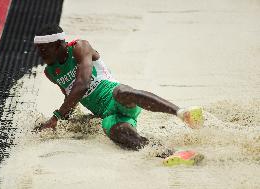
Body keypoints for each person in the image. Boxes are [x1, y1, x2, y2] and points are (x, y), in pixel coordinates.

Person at [34, 24, 204, 165]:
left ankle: (182, 113)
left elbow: (82, 84)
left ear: (58, 45)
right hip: (108, 115)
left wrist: (56, 116)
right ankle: (174, 154)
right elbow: (70, 98)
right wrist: (62, 124)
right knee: (118, 134)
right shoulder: (51, 72)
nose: (40, 55)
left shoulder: (80, 47)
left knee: (122, 92)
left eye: (43, 49)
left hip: (115, 97)